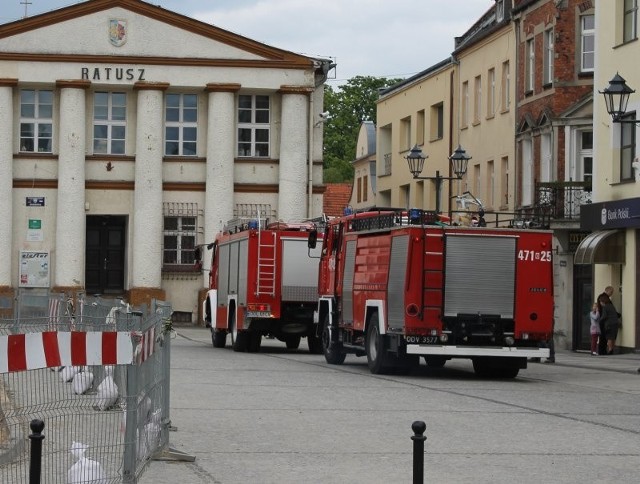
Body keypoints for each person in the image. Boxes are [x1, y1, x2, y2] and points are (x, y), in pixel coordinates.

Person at [596, 286, 614, 355]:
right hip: (604, 319)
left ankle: (602, 351)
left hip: (602, 318)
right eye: (611, 292)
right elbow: (609, 309)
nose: (611, 294)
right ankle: (602, 351)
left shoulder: (602, 296)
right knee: (603, 336)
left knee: (603, 336)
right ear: (607, 290)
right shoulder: (605, 298)